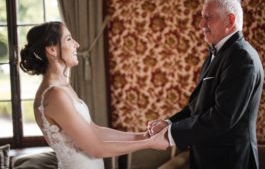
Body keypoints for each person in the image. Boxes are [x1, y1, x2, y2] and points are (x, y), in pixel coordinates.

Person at [20, 21, 168, 169]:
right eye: (69, 39)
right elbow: (96, 149)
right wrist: (149, 143)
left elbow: (94, 130)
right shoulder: (54, 95)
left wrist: (142, 136)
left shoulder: (63, 87)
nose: (76, 44)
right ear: (52, 49)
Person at [147, 0, 264, 169]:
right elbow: (199, 107)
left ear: (230, 21)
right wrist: (169, 123)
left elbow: (222, 118)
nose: (201, 24)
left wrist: (171, 134)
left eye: (207, 18)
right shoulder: (217, 53)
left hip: (230, 162)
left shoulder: (242, 57)